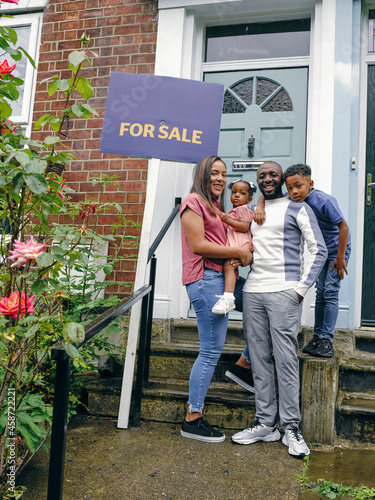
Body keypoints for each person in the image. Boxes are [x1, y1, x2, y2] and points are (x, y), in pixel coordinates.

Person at [231, 161, 327, 458]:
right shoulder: (252, 210)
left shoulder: (297, 207)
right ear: (257, 182)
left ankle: (292, 428)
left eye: (273, 174)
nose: (268, 179)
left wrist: (300, 289)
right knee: (258, 359)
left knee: (285, 359)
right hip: (253, 292)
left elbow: (318, 249)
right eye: (262, 176)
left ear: (282, 178)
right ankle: (265, 424)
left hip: (284, 291)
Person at [180, 156, 252, 443]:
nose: (220, 179)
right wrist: (239, 254)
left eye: (224, 174)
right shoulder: (193, 202)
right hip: (205, 281)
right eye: (214, 173)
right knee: (210, 351)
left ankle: (244, 365)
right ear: (202, 175)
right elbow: (198, 245)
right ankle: (192, 418)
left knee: (266, 310)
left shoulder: (218, 207)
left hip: (223, 279)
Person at [212, 179, 257, 315]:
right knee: (229, 266)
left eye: (242, 193)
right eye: (234, 192)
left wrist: (227, 220)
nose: (237, 195)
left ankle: (228, 296)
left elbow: (244, 226)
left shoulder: (243, 209)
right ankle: (229, 295)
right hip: (237, 242)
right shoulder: (235, 210)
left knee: (228, 266)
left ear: (249, 199)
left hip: (240, 243)